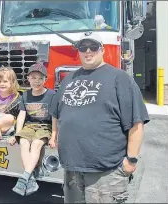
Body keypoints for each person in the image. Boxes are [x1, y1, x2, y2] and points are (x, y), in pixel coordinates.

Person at [49, 31, 150, 203]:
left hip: (107, 172)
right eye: (83, 47)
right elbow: (56, 112)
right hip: (72, 171)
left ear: (102, 50)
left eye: (93, 47)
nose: (88, 51)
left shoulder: (120, 78)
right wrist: (54, 135)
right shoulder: (69, 79)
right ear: (78, 51)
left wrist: (131, 160)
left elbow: (136, 123)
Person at [7, 63, 56, 196]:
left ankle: (24, 178)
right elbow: (22, 115)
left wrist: (53, 137)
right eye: (33, 77)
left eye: (40, 78)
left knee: (36, 144)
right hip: (29, 126)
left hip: (45, 127)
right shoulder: (25, 95)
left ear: (45, 79)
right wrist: (16, 133)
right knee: (23, 142)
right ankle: (31, 179)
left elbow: (54, 117)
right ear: (28, 79)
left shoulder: (51, 95)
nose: (37, 81)